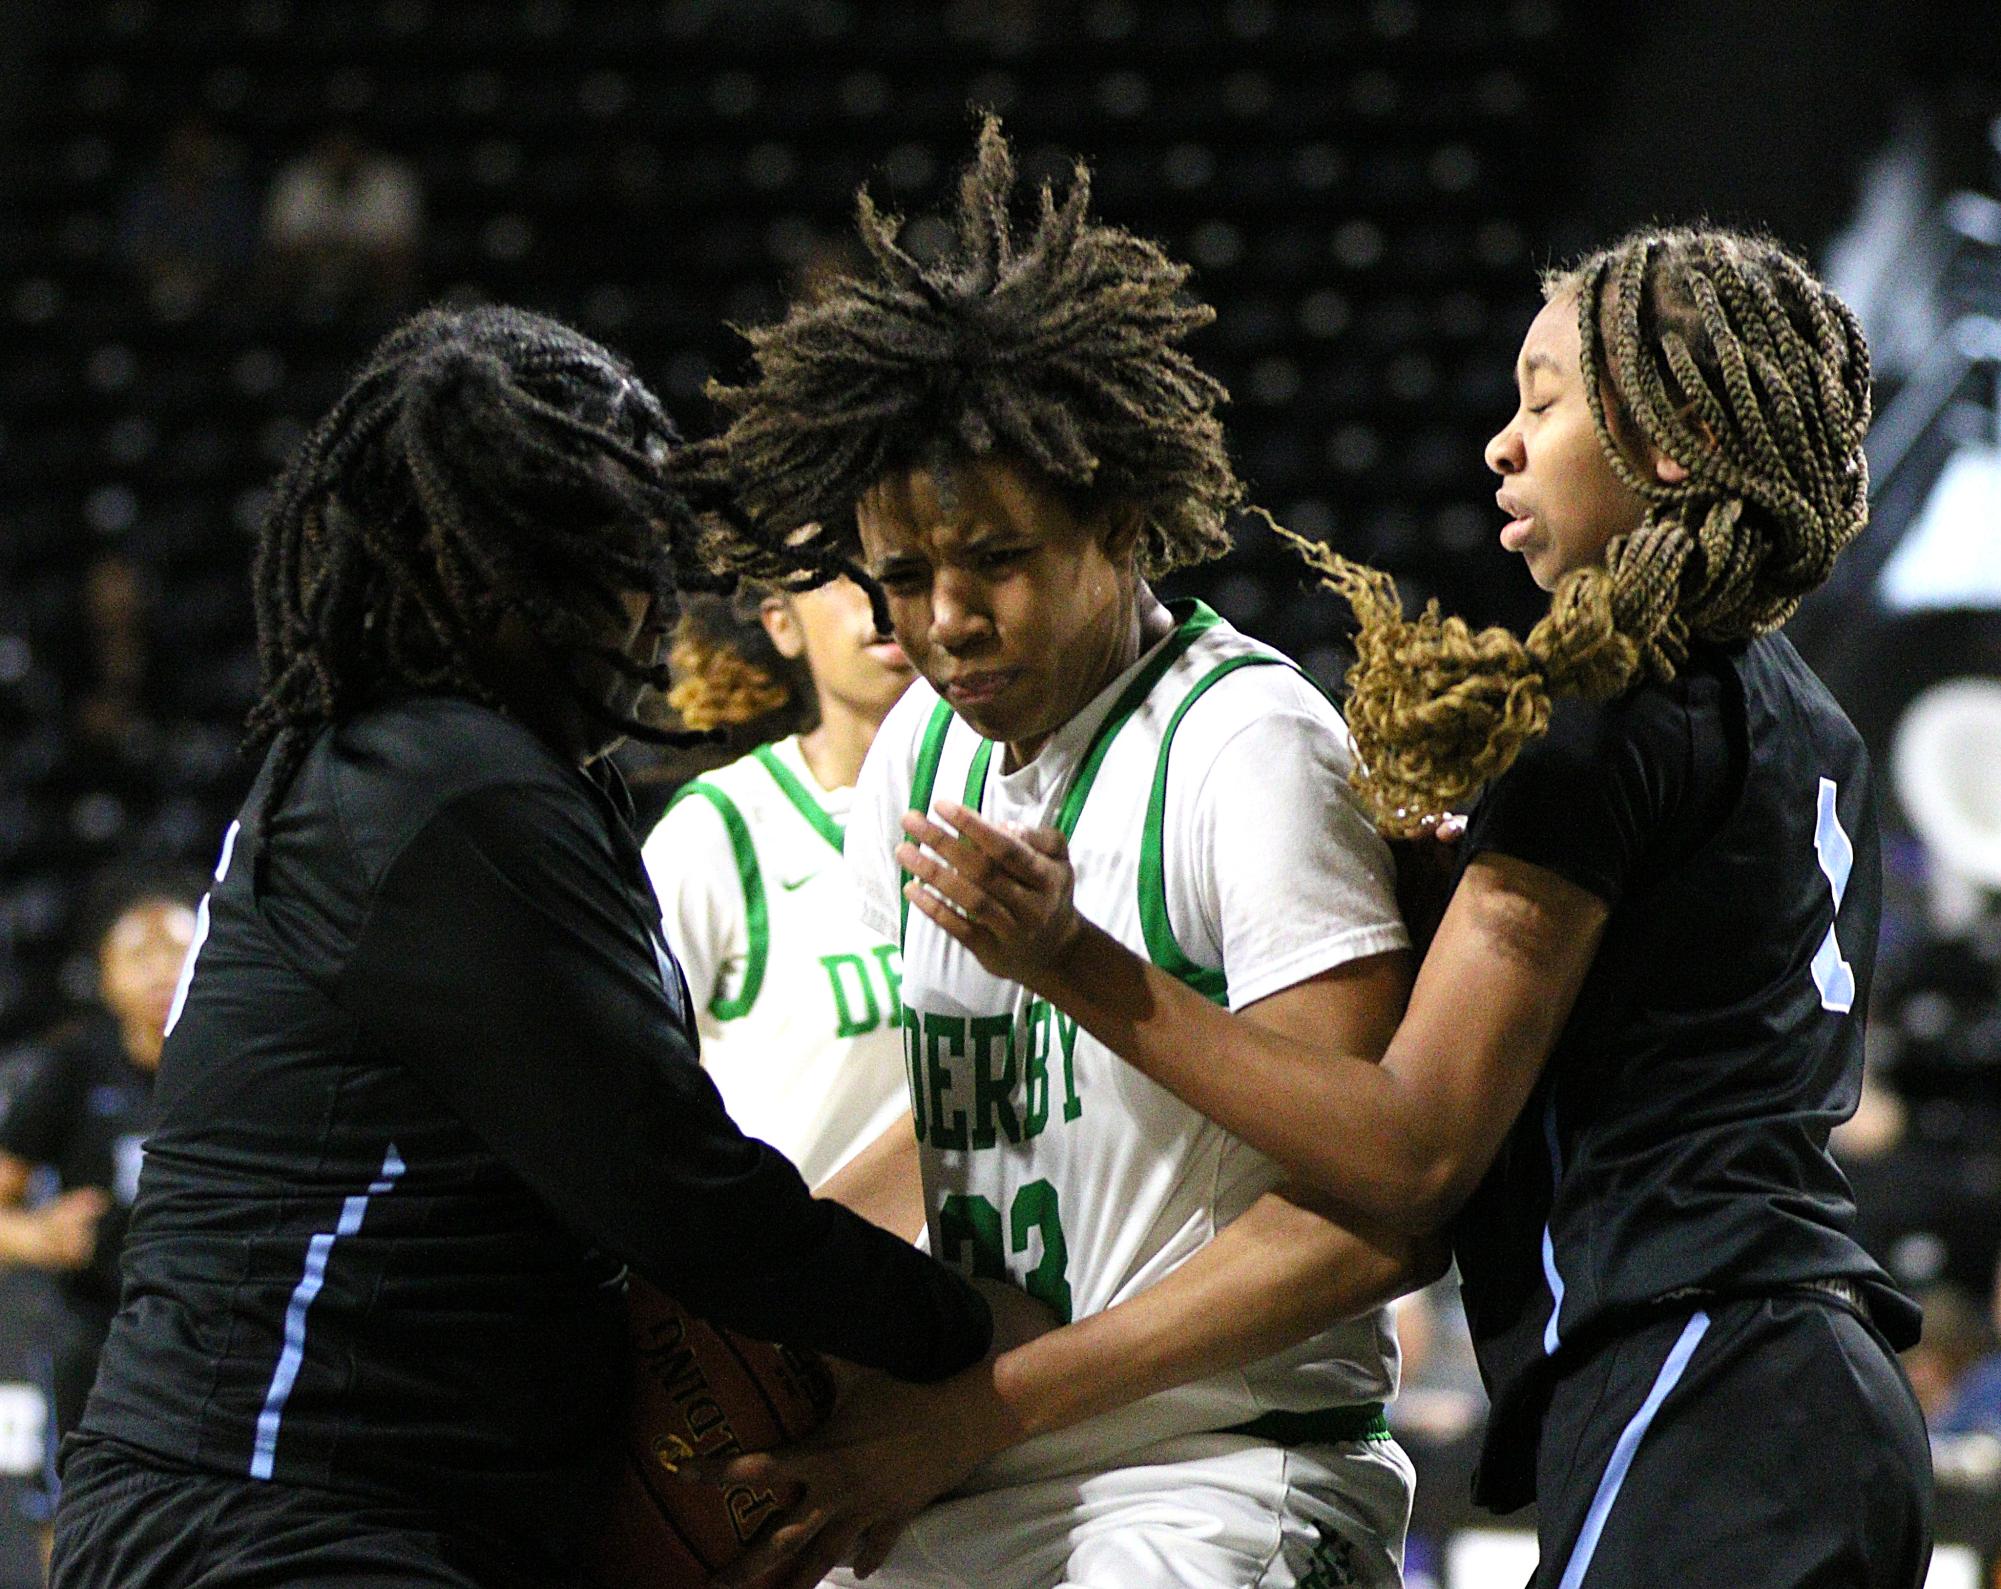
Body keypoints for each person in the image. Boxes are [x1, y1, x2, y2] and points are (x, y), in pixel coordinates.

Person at [906, 227, 1936, 1585]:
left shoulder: (1599, 710)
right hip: (1822, 1377)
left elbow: (1410, 1155)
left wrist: (1075, 961)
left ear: (1676, 444)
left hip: (1696, 1371)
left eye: (1546, 398)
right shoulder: (1801, 712)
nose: (1503, 443)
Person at [45, 304, 996, 1589]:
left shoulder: (458, 774)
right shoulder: (449, 791)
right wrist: (968, 1346)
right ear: (498, 569)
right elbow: (676, 1192)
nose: (650, 592)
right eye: (608, 549)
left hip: (376, 1504)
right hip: (279, 1507)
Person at [688, 118, 1434, 1589]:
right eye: (904, 580)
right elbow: (976, 1119)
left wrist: (1074, 963)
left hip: (1214, 1472)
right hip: (976, 1463)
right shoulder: (926, 749)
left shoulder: (1251, 747)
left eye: (998, 560)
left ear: (1119, 517)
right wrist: (742, 1298)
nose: (946, 619)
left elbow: (1370, 1214)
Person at [643, 582, 917, 1187]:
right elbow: (627, 1097)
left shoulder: (1017, 798)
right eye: (841, 572)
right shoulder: (716, 831)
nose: (877, 593)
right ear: (780, 624)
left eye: (897, 564)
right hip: (814, 1272)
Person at [0, 872, 197, 1548]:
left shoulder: (235, 1067)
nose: (160, 970)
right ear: (107, 978)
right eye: (138, 954)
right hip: (97, 1329)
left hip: (210, 1331)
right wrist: (33, 1234)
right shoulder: (77, 1066)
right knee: (78, 1515)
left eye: (177, 949)